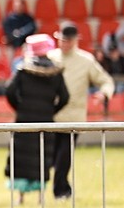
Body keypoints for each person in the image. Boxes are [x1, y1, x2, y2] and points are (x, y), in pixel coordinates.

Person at [49, 22, 114, 199]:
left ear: (75, 40)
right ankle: (60, 186)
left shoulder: (86, 61)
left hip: (74, 117)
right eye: (62, 40)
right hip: (51, 116)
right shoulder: (50, 57)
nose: (65, 44)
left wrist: (104, 93)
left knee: (64, 155)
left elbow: (105, 80)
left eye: (68, 40)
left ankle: (61, 190)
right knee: (52, 156)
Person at [4, 35, 69, 204]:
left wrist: (20, 107)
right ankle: (41, 196)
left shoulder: (22, 70)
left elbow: (9, 91)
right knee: (42, 156)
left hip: (24, 120)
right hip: (45, 120)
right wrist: (51, 110)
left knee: (22, 158)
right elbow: (65, 97)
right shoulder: (56, 73)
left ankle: (21, 196)